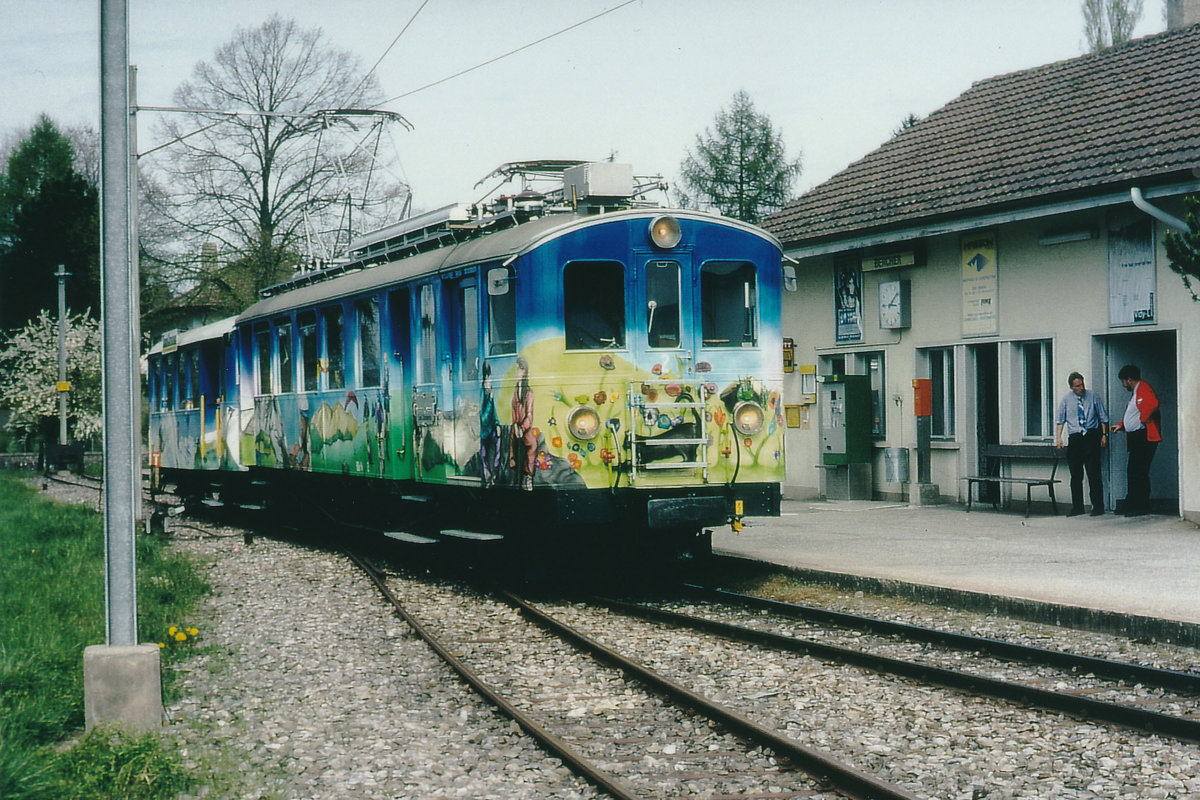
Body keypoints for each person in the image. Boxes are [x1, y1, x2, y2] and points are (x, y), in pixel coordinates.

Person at [1054, 372, 1109, 516]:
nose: (1081, 388)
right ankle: (1077, 507)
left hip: (1091, 435)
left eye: (1082, 384)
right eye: (1078, 386)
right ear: (1072, 387)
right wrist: (1058, 438)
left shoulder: (1093, 396)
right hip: (1075, 437)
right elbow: (1060, 420)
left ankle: (1098, 506)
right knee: (1076, 474)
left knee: (1093, 472)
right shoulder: (1066, 399)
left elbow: (1102, 417)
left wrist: (1104, 435)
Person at [1109, 364, 1161, 516]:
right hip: (1136, 436)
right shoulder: (1137, 392)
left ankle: (1141, 506)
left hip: (1143, 437)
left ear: (1129, 380)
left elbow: (1153, 404)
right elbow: (1132, 413)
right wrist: (1121, 425)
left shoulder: (1144, 389)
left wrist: (1142, 420)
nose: (1123, 385)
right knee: (1133, 471)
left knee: (1138, 472)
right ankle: (1132, 503)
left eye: (1123, 381)